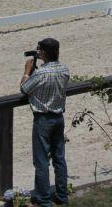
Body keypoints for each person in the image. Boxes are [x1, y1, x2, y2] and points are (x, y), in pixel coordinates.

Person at [20, 37, 70, 207]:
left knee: (41, 161)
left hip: (42, 119)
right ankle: (62, 195)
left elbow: (24, 88)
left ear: (43, 53)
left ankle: (44, 200)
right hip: (58, 117)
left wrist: (27, 71)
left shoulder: (40, 73)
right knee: (59, 159)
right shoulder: (64, 69)